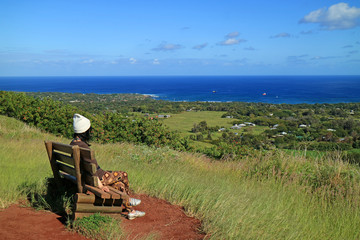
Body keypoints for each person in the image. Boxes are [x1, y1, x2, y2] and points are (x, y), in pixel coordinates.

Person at [70, 113, 145, 220]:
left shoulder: (73, 144)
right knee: (123, 174)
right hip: (98, 178)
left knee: (119, 185)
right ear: (85, 131)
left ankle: (131, 211)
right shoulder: (84, 148)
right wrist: (100, 186)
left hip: (87, 177)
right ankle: (128, 199)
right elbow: (92, 171)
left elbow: (89, 169)